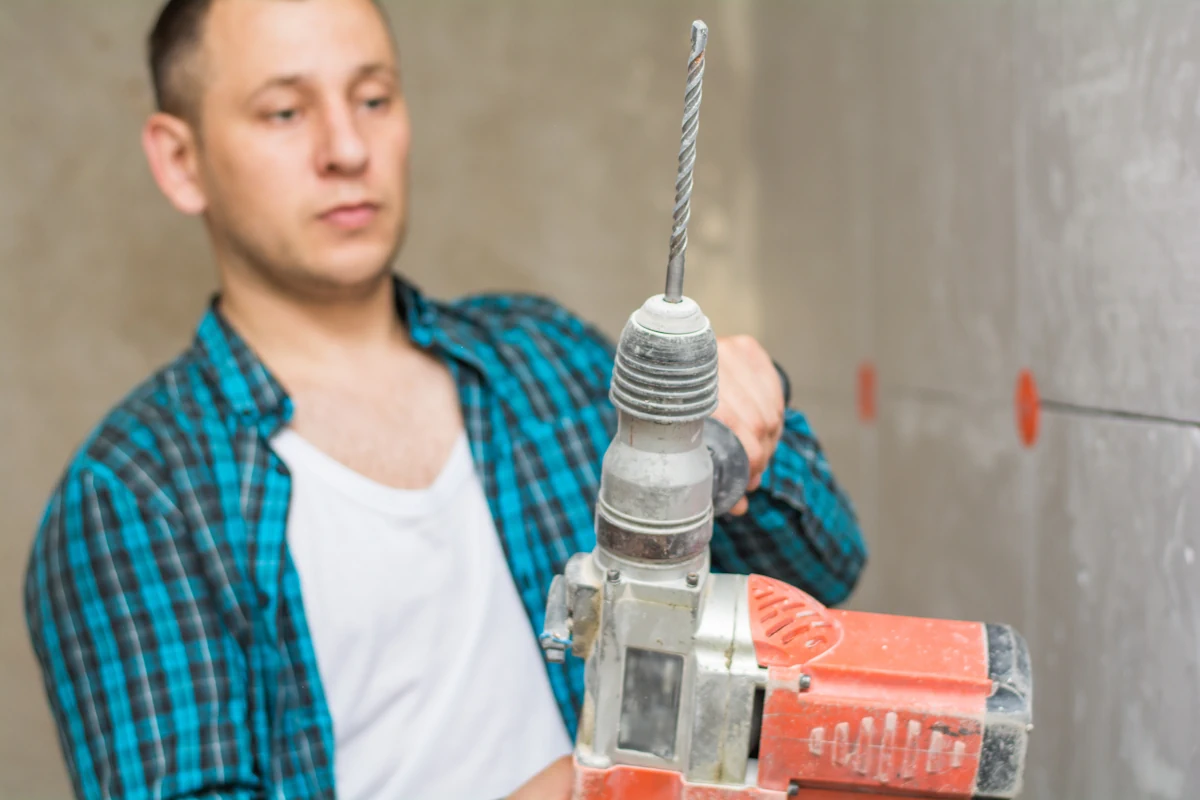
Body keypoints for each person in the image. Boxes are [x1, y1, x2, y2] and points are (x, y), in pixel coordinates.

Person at [22, 1, 867, 798]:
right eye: (284, 112)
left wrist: (744, 445)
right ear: (181, 159)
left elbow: (823, 576)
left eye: (374, 98)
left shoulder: (547, 358)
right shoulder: (133, 495)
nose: (347, 147)